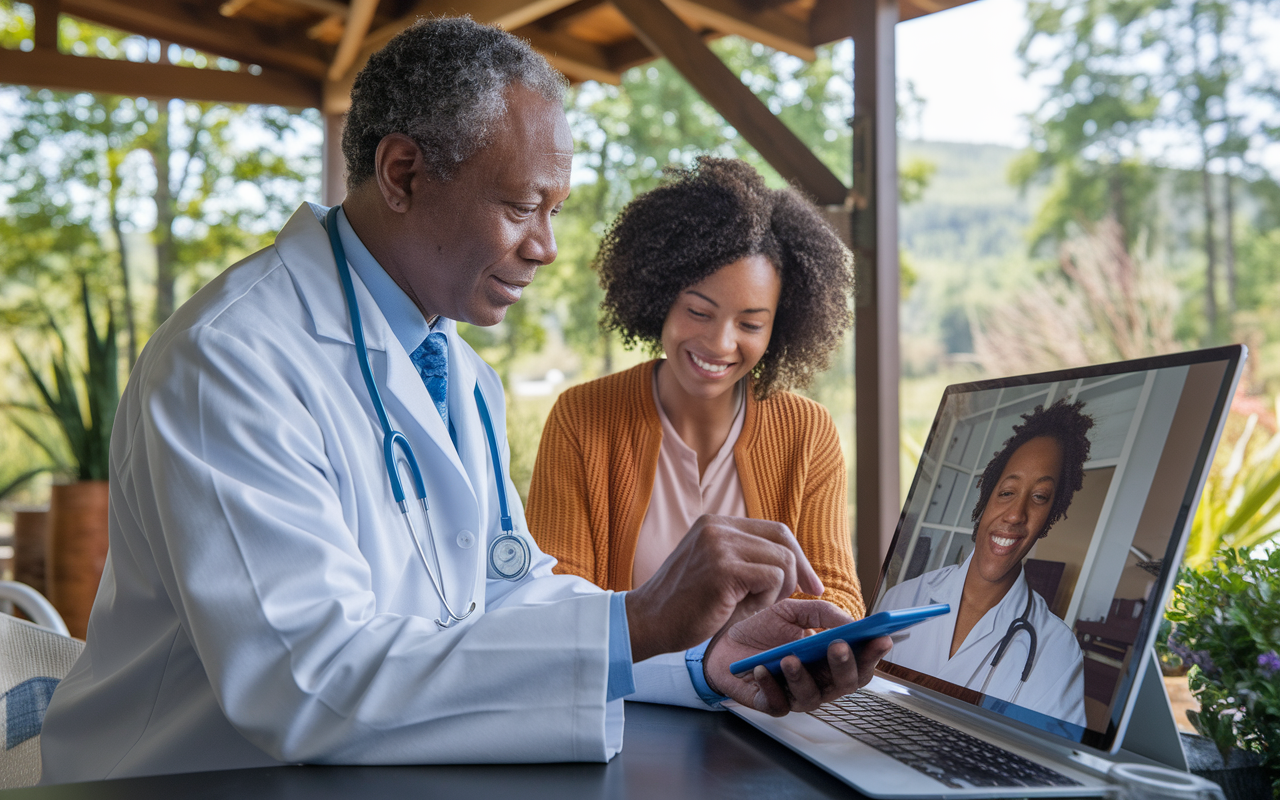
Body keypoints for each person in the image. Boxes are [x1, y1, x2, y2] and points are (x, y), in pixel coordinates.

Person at [37, 18, 891, 784]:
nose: (548, 247)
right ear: (403, 171)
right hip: (182, 780)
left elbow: (503, 593)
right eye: (523, 205)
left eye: (555, 210)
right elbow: (302, 682)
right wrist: (635, 623)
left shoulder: (454, 368)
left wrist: (695, 660)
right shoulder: (233, 358)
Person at [527, 157, 862, 617]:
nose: (720, 343)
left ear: (779, 328)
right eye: (699, 313)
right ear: (661, 297)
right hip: (627, 692)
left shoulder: (807, 432)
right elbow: (553, 603)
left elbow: (838, 599)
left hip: (756, 688)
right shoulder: (582, 417)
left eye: (750, 323)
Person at [877, 399, 1094, 726]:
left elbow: (1045, 764)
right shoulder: (901, 600)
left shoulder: (1058, 651)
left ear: (1050, 516)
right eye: (1007, 492)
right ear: (986, 497)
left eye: (1039, 497)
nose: (1016, 514)